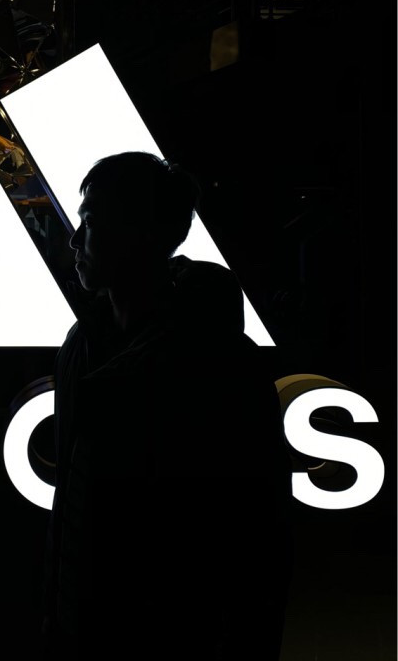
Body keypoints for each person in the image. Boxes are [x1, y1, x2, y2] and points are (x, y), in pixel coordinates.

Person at [43, 152, 293, 659]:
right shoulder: (81, 344)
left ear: (139, 233)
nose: (75, 240)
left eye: (91, 222)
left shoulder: (219, 365)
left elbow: (256, 533)